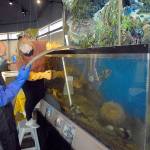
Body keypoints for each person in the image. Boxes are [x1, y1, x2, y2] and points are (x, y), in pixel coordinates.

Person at [0, 41, 31, 150]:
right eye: (1, 55)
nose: (3, 58)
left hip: (5, 112)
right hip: (2, 116)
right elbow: (2, 98)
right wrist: (19, 80)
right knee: (9, 143)